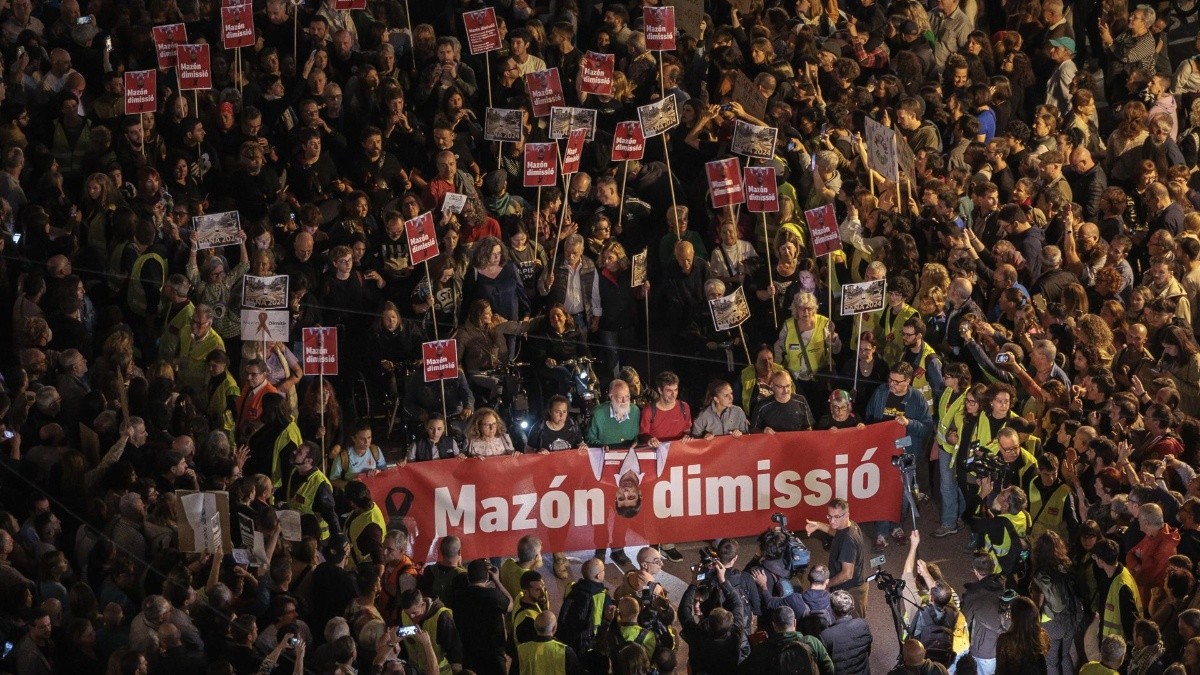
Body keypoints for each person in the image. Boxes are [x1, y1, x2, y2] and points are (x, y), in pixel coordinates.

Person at [865, 362, 933, 547]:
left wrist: (909, 423)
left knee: (903, 494)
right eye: (890, 380)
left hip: (907, 454)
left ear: (908, 381)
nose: (892, 384)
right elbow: (869, 417)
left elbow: (927, 428)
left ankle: (897, 525)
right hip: (882, 452)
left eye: (897, 382)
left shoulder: (917, 399)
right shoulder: (881, 392)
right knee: (882, 491)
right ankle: (881, 531)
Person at [805, 499, 869, 620]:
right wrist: (818, 525)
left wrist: (826, 584)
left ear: (846, 515)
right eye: (829, 516)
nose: (832, 521)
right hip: (851, 586)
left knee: (851, 623)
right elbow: (835, 531)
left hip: (851, 590)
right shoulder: (849, 525)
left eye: (836, 517)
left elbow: (847, 574)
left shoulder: (848, 541)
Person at [737, 606, 835, 675]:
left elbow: (744, 670)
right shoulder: (811, 642)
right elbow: (829, 668)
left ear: (774, 625)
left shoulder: (763, 649)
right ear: (794, 622)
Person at [750, 370, 815, 433]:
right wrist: (763, 432)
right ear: (772, 386)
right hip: (772, 440)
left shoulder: (800, 401)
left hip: (796, 439)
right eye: (781, 387)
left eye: (788, 386)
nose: (785, 391)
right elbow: (753, 429)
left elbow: (808, 426)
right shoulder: (763, 405)